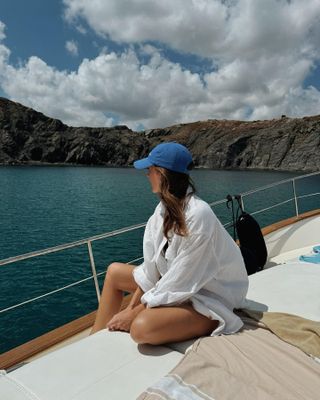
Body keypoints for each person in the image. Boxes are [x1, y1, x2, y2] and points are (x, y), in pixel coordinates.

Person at [90, 142, 248, 345]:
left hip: (210, 294)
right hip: (182, 285)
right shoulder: (161, 211)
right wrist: (130, 310)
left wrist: (135, 313)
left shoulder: (199, 215)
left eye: (150, 170)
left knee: (141, 328)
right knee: (114, 272)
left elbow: (182, 280)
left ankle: (217, 320)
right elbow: (151, 271)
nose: (147, 175)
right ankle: (94, 340)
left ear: (161, 173)